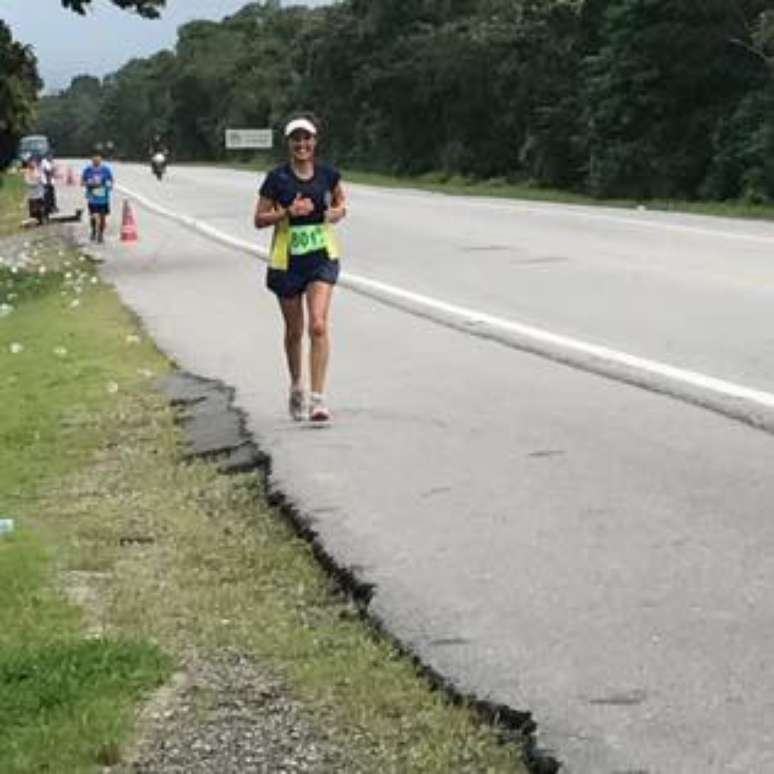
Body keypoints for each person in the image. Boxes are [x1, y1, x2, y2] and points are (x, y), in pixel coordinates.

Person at [254, 115, 347, 422]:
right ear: (289, 144)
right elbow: (258, 219)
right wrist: (286, 212)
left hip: (321, 256)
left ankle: (318, 399)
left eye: (307, 139)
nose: (302, 144)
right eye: (296, 139)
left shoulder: (328, 175)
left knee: (318, 325)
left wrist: (337, 212)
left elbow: (341, 202)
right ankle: (297, 385)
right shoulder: (276, 179)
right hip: (287, 261)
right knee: (294, 331)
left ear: (315, 142)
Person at [81, 150, 114, 243]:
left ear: (101, 159)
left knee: (103, 216)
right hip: (92, 197)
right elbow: (82, 182)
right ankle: (93, 231)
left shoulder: (106, 170)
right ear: (91, 159)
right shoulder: (88, 170)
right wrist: (89, 183)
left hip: (103, 197)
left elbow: (110, 181)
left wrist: (108, 185)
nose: (96, 159)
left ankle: (101, 234)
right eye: (94, 158)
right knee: (93, 216)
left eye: (98, 157)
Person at [24, 156, 46, 224]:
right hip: (32, 194)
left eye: (34, 162)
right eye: (31, 162)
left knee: (39, 208)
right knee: (33, 209)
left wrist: (38, 181)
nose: (32, 164)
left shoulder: (38, 170)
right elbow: (28, 182)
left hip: (39, 193)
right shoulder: (27, 172)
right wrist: (35, 182)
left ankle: (40, 220)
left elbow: (42, 179)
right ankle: (33, 220)